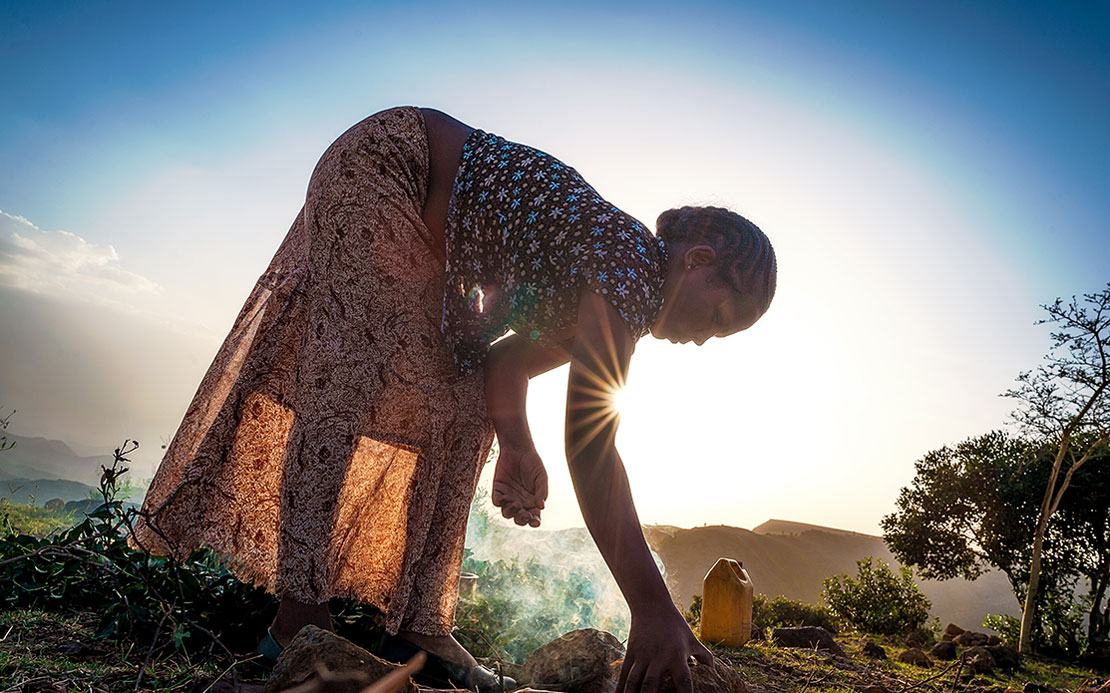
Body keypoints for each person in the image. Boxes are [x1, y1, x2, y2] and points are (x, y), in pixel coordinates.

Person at [128, 105, 776, 693]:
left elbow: (507, 361)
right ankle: (298, 618)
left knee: (463, 396)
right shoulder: (631, 267)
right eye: (723, 314)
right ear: (696, 259)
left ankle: (417, 624)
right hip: (388, 164)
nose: (707, 338)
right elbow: (592, 442)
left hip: (438, 237)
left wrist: (517, 445)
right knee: (347, 376)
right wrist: (654, 608)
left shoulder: (604, 291)